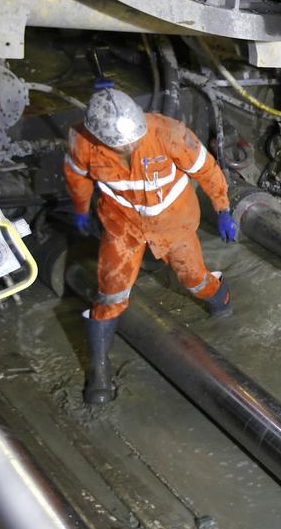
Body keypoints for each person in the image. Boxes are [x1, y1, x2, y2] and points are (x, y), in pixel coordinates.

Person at [63, 88, 239, 404]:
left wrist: (223, 207)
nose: (130, 146)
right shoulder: (82, 141)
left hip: (173, 223)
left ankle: (220, 300)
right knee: (110, 293)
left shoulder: (168, 132)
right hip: (123, 227)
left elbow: (206, 168)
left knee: (193, 279)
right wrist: (80, 209)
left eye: (134, 139)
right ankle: (99, 373)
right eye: (121, 144)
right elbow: (77, 178)